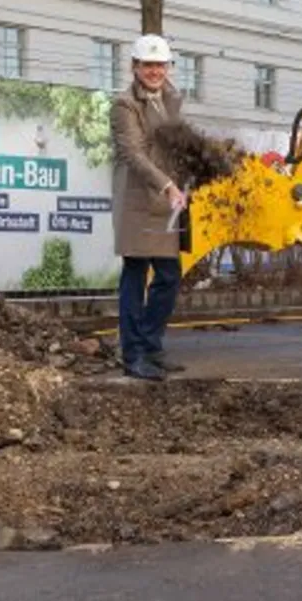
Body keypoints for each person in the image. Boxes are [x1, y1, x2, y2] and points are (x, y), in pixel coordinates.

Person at [110, 33, 187, 381]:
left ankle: (151, 345)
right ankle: (133, 354)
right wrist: (168, 185)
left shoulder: (169, 100)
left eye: (160, 64)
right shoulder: (125, 105)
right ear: (134, 67)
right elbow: (134, 154)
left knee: (169, 276)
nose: (155, 71)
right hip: (140, 202)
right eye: (148, 65)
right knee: (135, 275)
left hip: (166, 202)